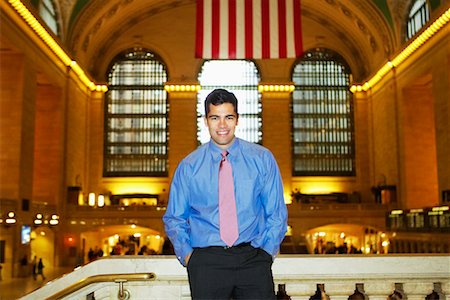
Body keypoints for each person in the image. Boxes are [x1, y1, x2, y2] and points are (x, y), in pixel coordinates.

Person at [163, 88, 288, 299]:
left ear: (237, 119)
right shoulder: (189, 166)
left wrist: (266, 253)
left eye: (228, 117)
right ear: (206, 120)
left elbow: (276, 212)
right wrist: (189, 257)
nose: (222, 125)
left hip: (253, 259)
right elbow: (175, 217)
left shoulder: (262, 159)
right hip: (206, 262)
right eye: (215, 118)